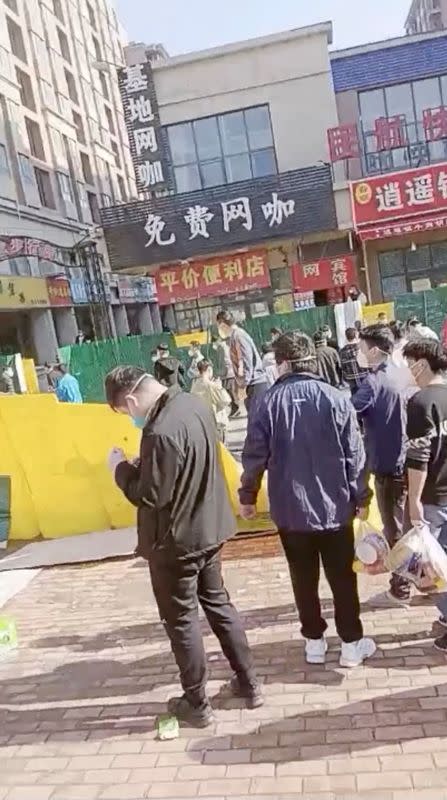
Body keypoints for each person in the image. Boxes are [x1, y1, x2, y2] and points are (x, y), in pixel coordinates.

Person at [105, 366, 262, 726]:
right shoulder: (192, 404)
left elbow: (151, 495)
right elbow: (184, 464)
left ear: (131, 399)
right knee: (220, 606)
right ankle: (250, 683)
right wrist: (145, 466)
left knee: (182, 621)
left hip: (176, 542)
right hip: (209, 528)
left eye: (126, 412)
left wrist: (120, 470)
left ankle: (197, 701)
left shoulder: (159, 431)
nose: (131, 419)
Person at [239, 332, 375, 667]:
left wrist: (248, 495)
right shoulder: (335, 398)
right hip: (335, 507)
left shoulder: (266, 403)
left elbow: (254, 455)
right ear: (310, 359)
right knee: (343, 577)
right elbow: (354, 455)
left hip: (290, 509)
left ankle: (314, 641)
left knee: (303, 577)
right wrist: (362, 495)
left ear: (282, 362)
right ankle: (351, 644)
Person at [352, 324, 410, 607]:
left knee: (393, 527)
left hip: (388, 464)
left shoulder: (373, 382)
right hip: (403, 460)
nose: (360, 354)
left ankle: (401, 586)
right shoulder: (399, 375)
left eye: (362, 349)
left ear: (374, 350)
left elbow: (348, 412)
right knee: (403, 523)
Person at [403, 340, 447, 651]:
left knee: (435, 567)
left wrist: (413, 500)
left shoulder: (421, 403)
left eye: (409, 363)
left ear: (421, 363)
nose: (408, 371)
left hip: (435, 497)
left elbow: (418, 458)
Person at [216, 310, 267, 417]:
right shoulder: (235, 336)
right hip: (251, 383)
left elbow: (244, 361)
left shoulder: (238, 336)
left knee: (258, 421)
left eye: (218, 325)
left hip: (254, 383)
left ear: (222, 323)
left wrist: (243, 385)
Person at [191, 360, 231, 442]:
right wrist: (219, 387)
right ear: (209, 369)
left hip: (202, 423)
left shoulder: (194, 385)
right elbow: (226, 400)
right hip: (217, 422)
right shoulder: (211, 385)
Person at [211, 334, 238, 417]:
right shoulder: (221, 347)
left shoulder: (222, 348)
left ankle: (235, 406)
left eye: (214, 342)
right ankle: (234, 407)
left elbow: (225, 361)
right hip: (225, 373)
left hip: (227, 373)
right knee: (228, 391)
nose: (213, 344)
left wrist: (220, 372)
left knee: (230, 391)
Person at [340, 327, 368, 395]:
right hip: (364, 375)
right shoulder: (362, 347)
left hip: (351, 378)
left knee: (355, 396)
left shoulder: (342, 351)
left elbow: (343, 366)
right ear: (356, 335)